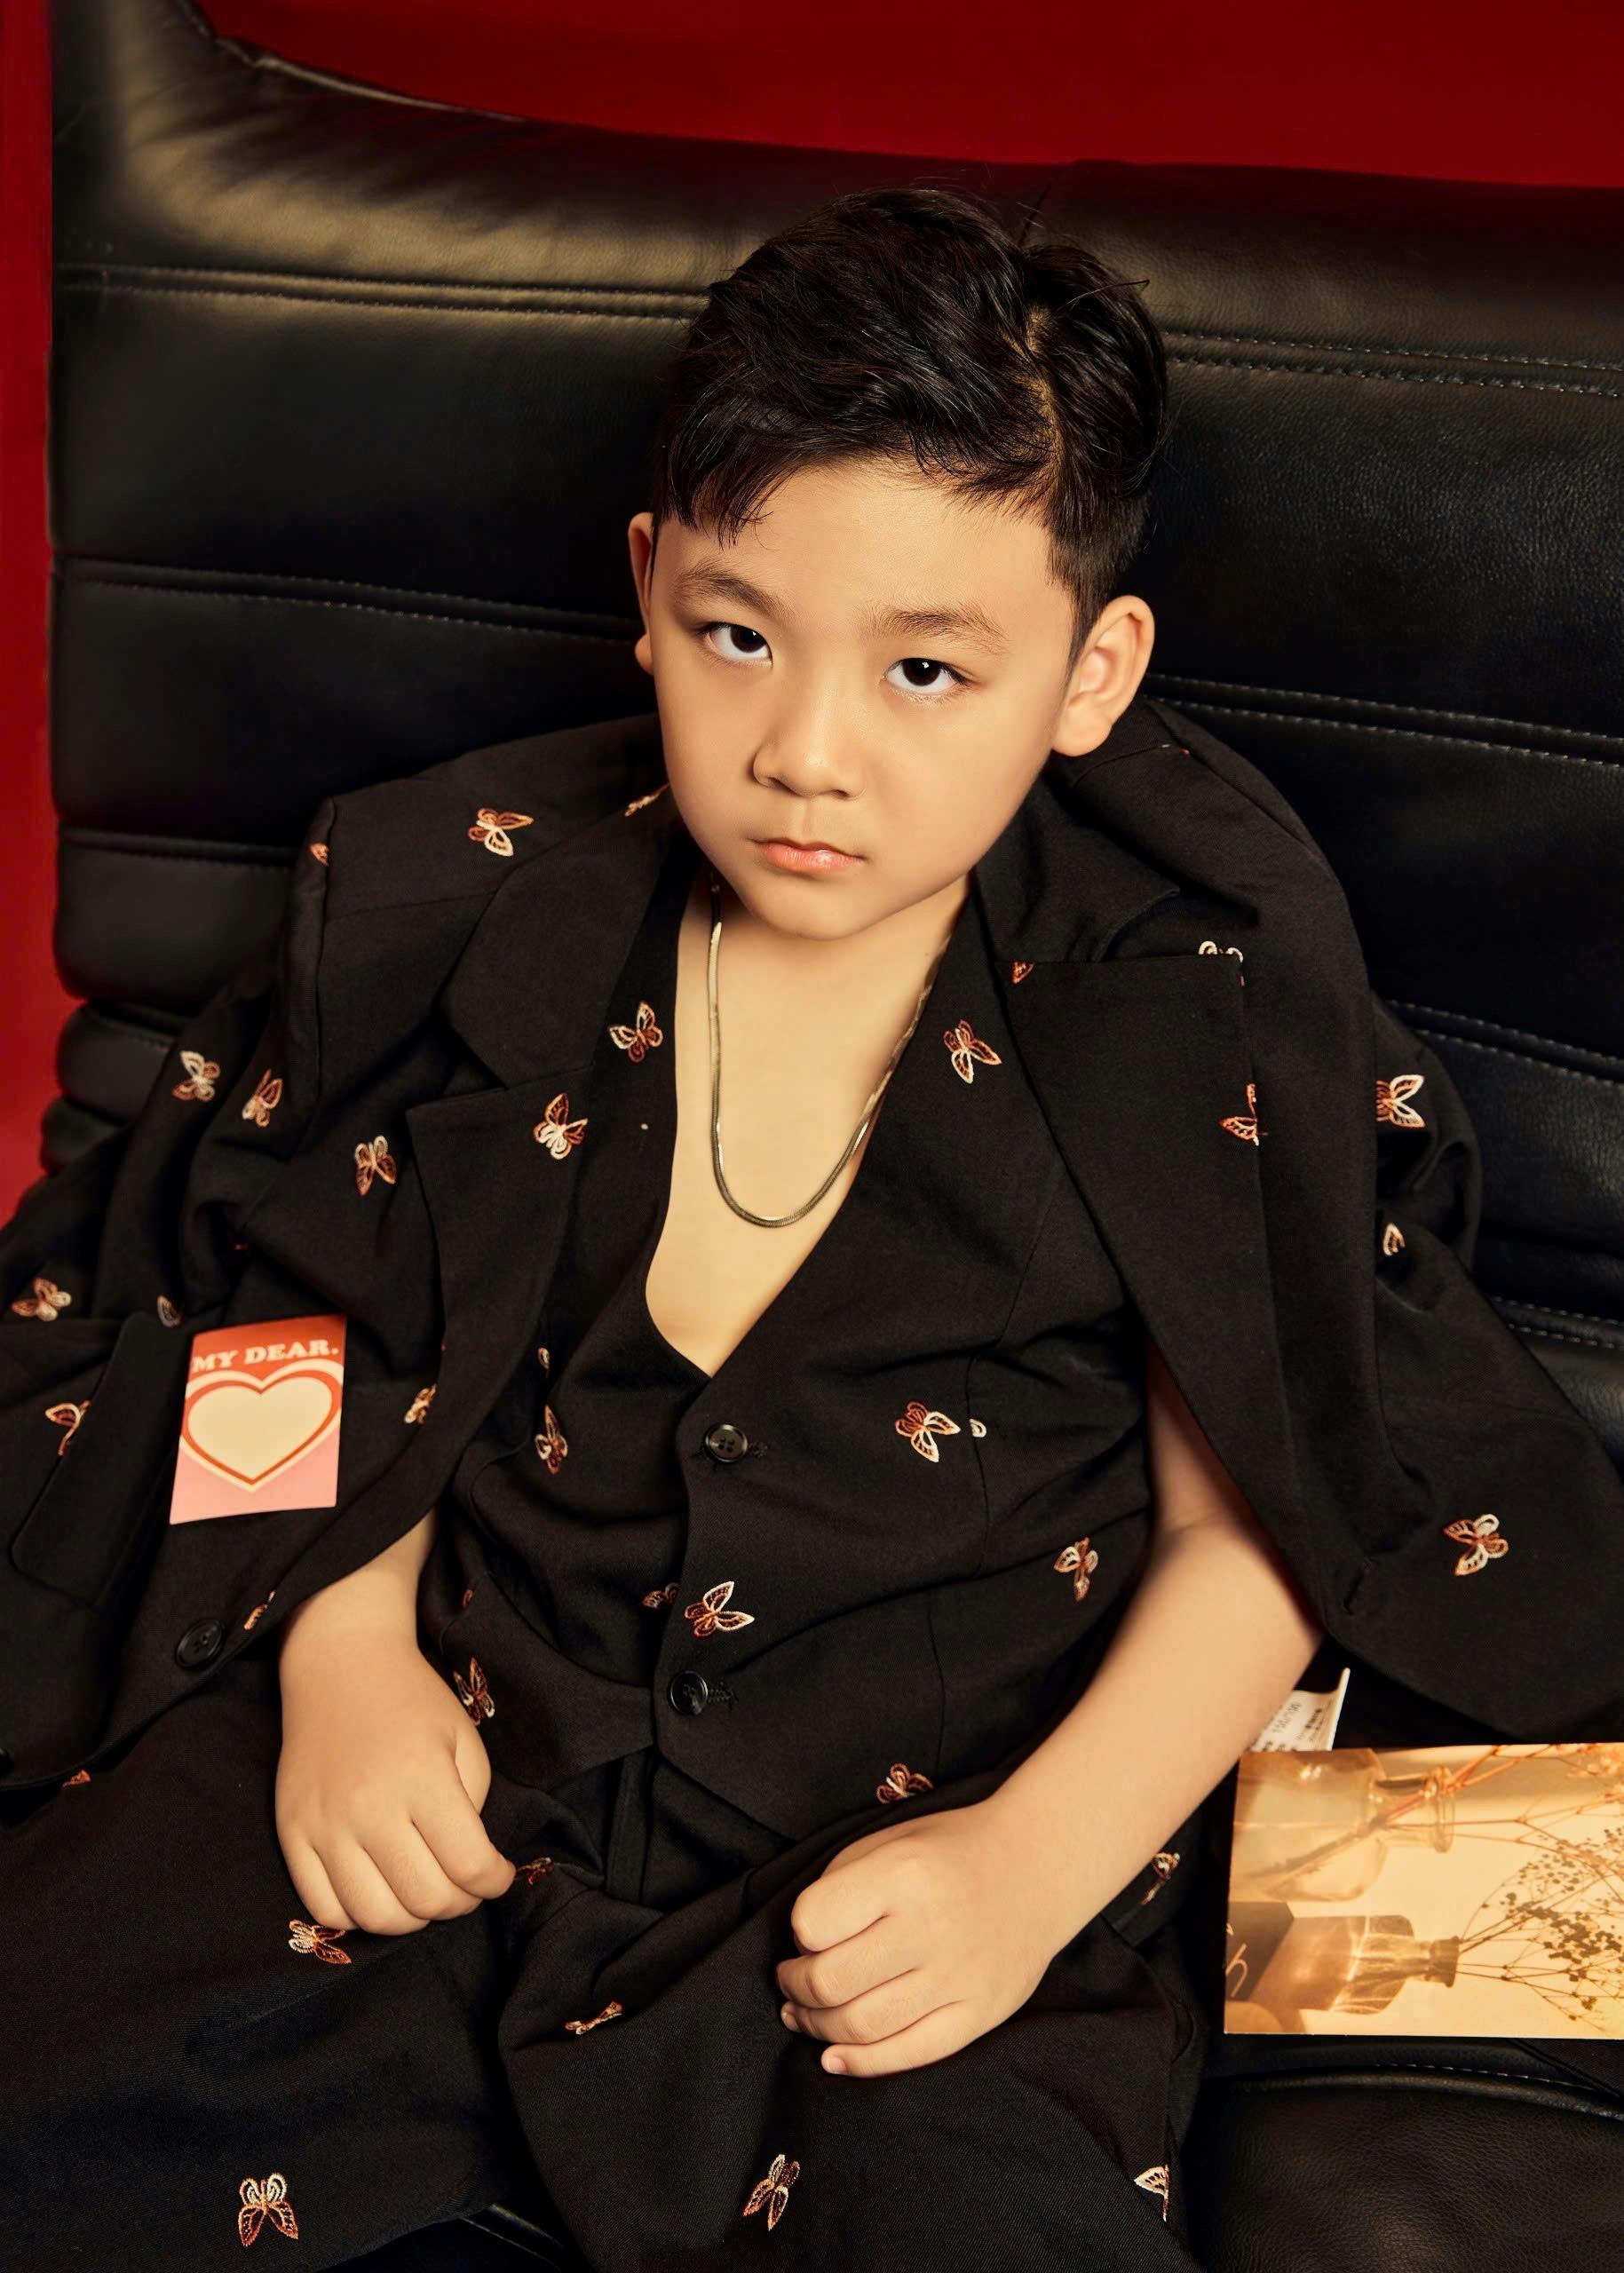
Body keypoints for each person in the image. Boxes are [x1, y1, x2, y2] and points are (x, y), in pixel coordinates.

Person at [3, 186, 1621, 2273]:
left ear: (1089, 671)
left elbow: (1261, 1527)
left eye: (931, 668)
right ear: (648, 588)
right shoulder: (453, 903)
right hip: (469, 1752)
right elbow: (282, 1313)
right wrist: (343, 1643)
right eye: (737, 632)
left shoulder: (1187, 1000)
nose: (805, 754)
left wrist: (1030, 1866)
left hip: (914, 1822)